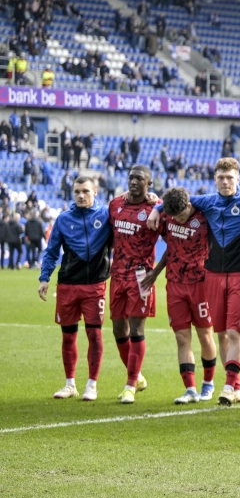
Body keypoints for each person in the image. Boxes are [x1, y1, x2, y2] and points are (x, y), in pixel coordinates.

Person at [149, 157, 240, 407]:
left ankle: (228, 385)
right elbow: (176, 200)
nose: (225, 182)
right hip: (213, 277)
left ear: (238, 179)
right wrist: (156, 209)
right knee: (221, 334)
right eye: (221, 177)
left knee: (234, 331)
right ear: (214, 179)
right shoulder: (206, 201)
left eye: (230, 177)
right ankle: (237, 387)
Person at [141, 187, 217, 404]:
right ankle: (190, 389)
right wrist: (155, 272)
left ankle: (208, 384)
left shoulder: (205, 217)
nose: (178, 220)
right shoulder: (167, 215)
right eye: (174, 217)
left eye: (181, 216)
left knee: (204, 335)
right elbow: (172, 247)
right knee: (181, 337)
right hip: (175, 284)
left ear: (189, 206)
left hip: (201, 284)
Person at [39, 176, 112, 402]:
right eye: (77, 191)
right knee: (68, 337)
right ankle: (70, 384)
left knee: (95, 335)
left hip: (95, 285)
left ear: (95, 192)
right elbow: (51, 252)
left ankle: (92, 384)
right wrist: (44, 278)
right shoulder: (63, 219)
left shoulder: (107, 216)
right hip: (68, 285)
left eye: (85, 191)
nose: (81, 195)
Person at [108, 165, 159, 404]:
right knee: (119, 330)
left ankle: (129, 386)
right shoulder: (116, 204)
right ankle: (137, 376)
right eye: (131, 177)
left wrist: (156, 272)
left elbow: (173, 243)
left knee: (137, 330)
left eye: (140, 178)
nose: (134, 181)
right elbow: (109, 236)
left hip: (141, 277)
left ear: (149, 184)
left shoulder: (154, 209)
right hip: (117, 276)